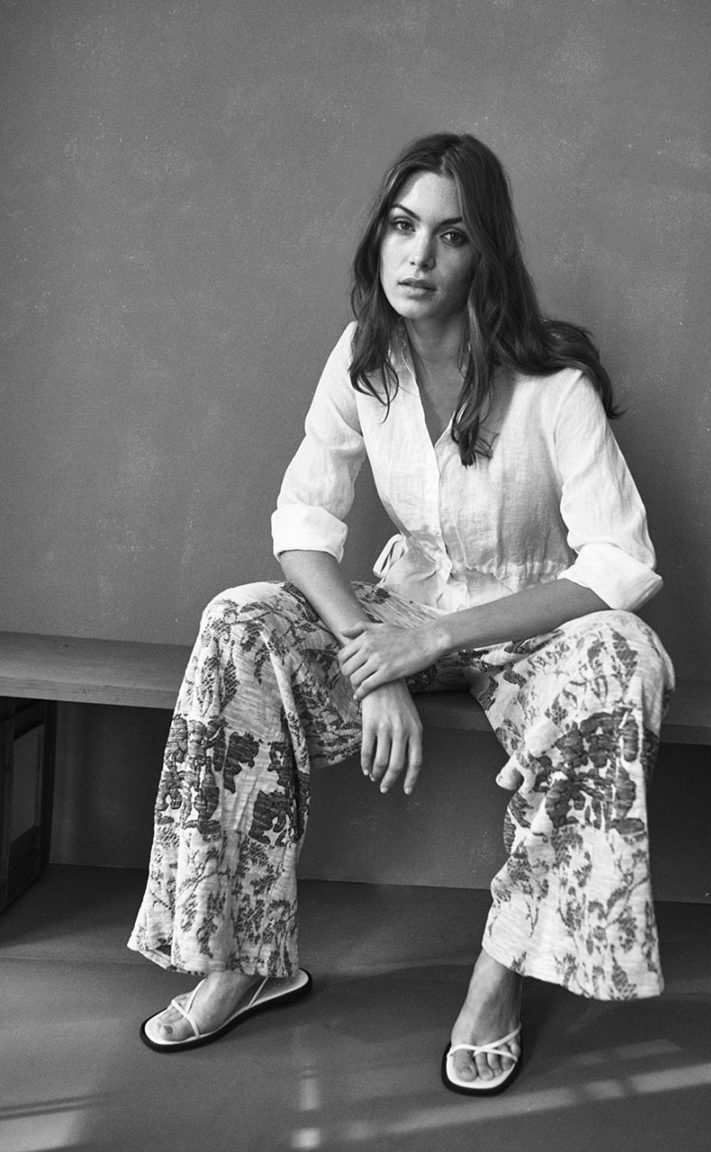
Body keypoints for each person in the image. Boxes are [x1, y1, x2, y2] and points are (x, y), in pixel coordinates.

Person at [129, 132, 674, 1095]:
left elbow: (621, 562)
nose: (418, 256)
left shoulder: (555, 384)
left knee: (621, 656)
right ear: (380, 237)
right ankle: (244, 957)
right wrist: (372, 653)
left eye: (451, 235)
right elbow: (302, 524)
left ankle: (499, 974)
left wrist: (434, 640)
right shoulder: (362, 357)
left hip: (529, 630)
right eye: (401, 226)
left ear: (484, 254)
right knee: (238, 619)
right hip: (400, 604)